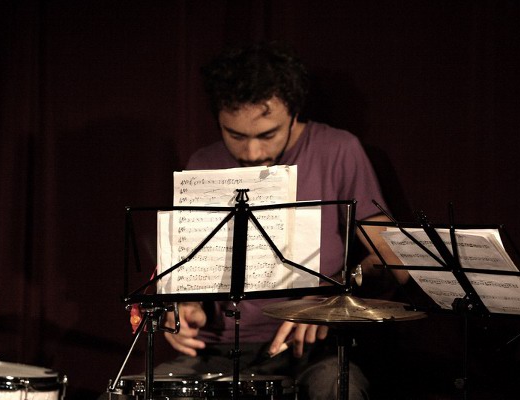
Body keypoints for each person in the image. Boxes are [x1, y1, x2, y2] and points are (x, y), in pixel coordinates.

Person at [135, 42, 408, 400]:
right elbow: (182, 274)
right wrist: (182, 309)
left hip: (312, 348)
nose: (252, 153)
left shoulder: (338, 150)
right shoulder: (203, 162)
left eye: (267, 134)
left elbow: (395, 261)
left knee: (339, 389)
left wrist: (330, 297)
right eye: (235, 135)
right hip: (217, 350)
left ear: (294, 113)